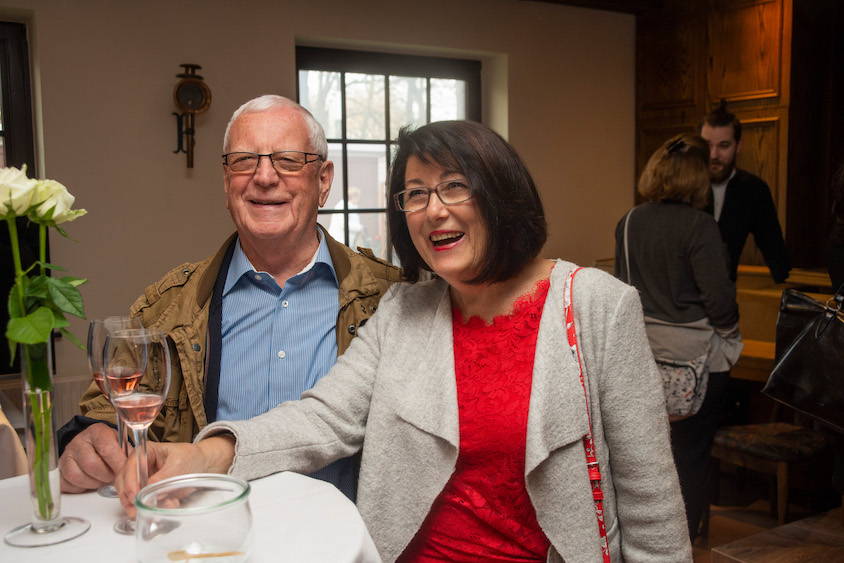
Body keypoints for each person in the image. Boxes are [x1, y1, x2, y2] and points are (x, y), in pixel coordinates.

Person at [117, 120, 692, 562]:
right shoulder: (403, 310)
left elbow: (651, 505)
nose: (432, 210)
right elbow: (322, 418)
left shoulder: (596, 306)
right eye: (414, 195)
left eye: (455, 187)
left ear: (502, 194)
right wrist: (205, 455)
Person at [58, 95, 401, 500]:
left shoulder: (389, 299)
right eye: (244, 160)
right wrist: (89, 441)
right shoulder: (169, 307)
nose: (265, 177)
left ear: (323, 181)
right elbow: (104, 414)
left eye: (288, 159)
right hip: (212, 536)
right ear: (226, 183)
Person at [614, 133, 743, 542]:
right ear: (697, 179)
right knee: (690, 455)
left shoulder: (629, 221)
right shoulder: (701, 225)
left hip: (642, 353)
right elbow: (719, 298)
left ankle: (645, 540)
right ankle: (686, 542)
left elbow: (622, 288)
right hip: (696, 355)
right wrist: (733, 337)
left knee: (645, 455)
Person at [700, 100, 790, 284]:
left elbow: (774, 250)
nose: (713, 154)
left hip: (724, 298)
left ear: (738, 145)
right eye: (707, 145)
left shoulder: (753, 190)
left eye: (723, 146)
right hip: (680, 303)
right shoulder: (687, 187)